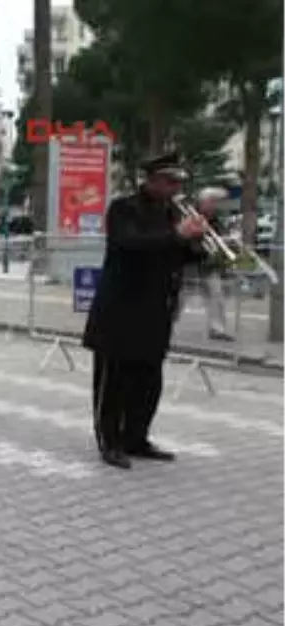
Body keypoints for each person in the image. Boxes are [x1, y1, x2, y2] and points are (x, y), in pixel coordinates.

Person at [83, 152, 208, 470]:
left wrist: (199, 239)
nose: (175, 188)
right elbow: (131, 244)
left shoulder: (172, 214)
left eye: (178, 182)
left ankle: (136, 438)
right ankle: (110, 442)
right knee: (114, 383)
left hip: (156, 311)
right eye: (169, 181)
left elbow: (183, 257)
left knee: (148, 382)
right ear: (150, 180)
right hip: (120, 311)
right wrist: (178, 234)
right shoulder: (123, 209)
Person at [192, 187, 233, 341]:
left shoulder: (214, 220)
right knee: (179, 297)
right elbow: (190, 241)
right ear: (204, 202)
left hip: (209, 265)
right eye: (213, 202)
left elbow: (218, 239)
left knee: (217, 295)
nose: (215, 206)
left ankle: (217, 329)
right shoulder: (192, 216)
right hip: (192, 264)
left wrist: (226, 241)